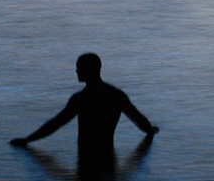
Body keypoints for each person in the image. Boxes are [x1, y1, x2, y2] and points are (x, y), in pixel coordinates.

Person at [10, 53, 159, 154]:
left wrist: (27, 140)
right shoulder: (116, 95)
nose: (76, 71)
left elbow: (56, 123)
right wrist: (151, 131)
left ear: (90, 70)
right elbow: (138, 119)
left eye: (79, 67)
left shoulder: (81, 98)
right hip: (108, 158)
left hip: (87, 159)